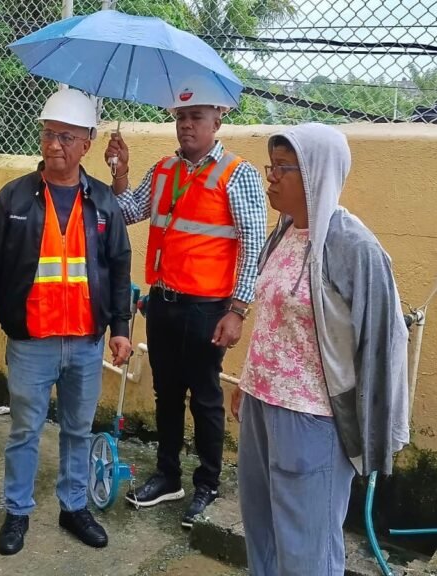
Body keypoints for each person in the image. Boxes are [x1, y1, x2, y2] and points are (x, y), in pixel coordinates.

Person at [230, 123, 410, 575]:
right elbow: (273, 323)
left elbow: (382, 342)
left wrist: (374, 429)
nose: (270, 177)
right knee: (262, 531)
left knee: (307, 547)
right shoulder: (285, 233)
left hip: (311, 419)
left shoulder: (352, 247)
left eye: (282, 168)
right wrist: (246, 383)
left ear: (315, 173)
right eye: (270, 166)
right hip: (260, 405)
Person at [0, 89, 133, 556]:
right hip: (31, 342)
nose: (54, 144)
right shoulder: (14, 197)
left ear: (87, 143)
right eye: (47, 134)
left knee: (78, 430)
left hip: (85, 340)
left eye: (65, 136)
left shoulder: (102, 200)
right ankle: (17, 512)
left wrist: (119, 327)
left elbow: (120, 266)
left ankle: (73, 506)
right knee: (24, 430)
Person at [105, 77, 268, 527]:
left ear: (219, 119)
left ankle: (208, 485)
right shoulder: (163, 171)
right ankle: (168, 475)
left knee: (206, 399)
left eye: (196, 117)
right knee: (166, 393)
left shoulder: (238, 174)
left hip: (208, 309)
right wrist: (119, 172)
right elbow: (127, 211)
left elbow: (254, 245)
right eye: (180, 117)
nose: (186, 126)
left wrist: (237, 310)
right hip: (163, 303)